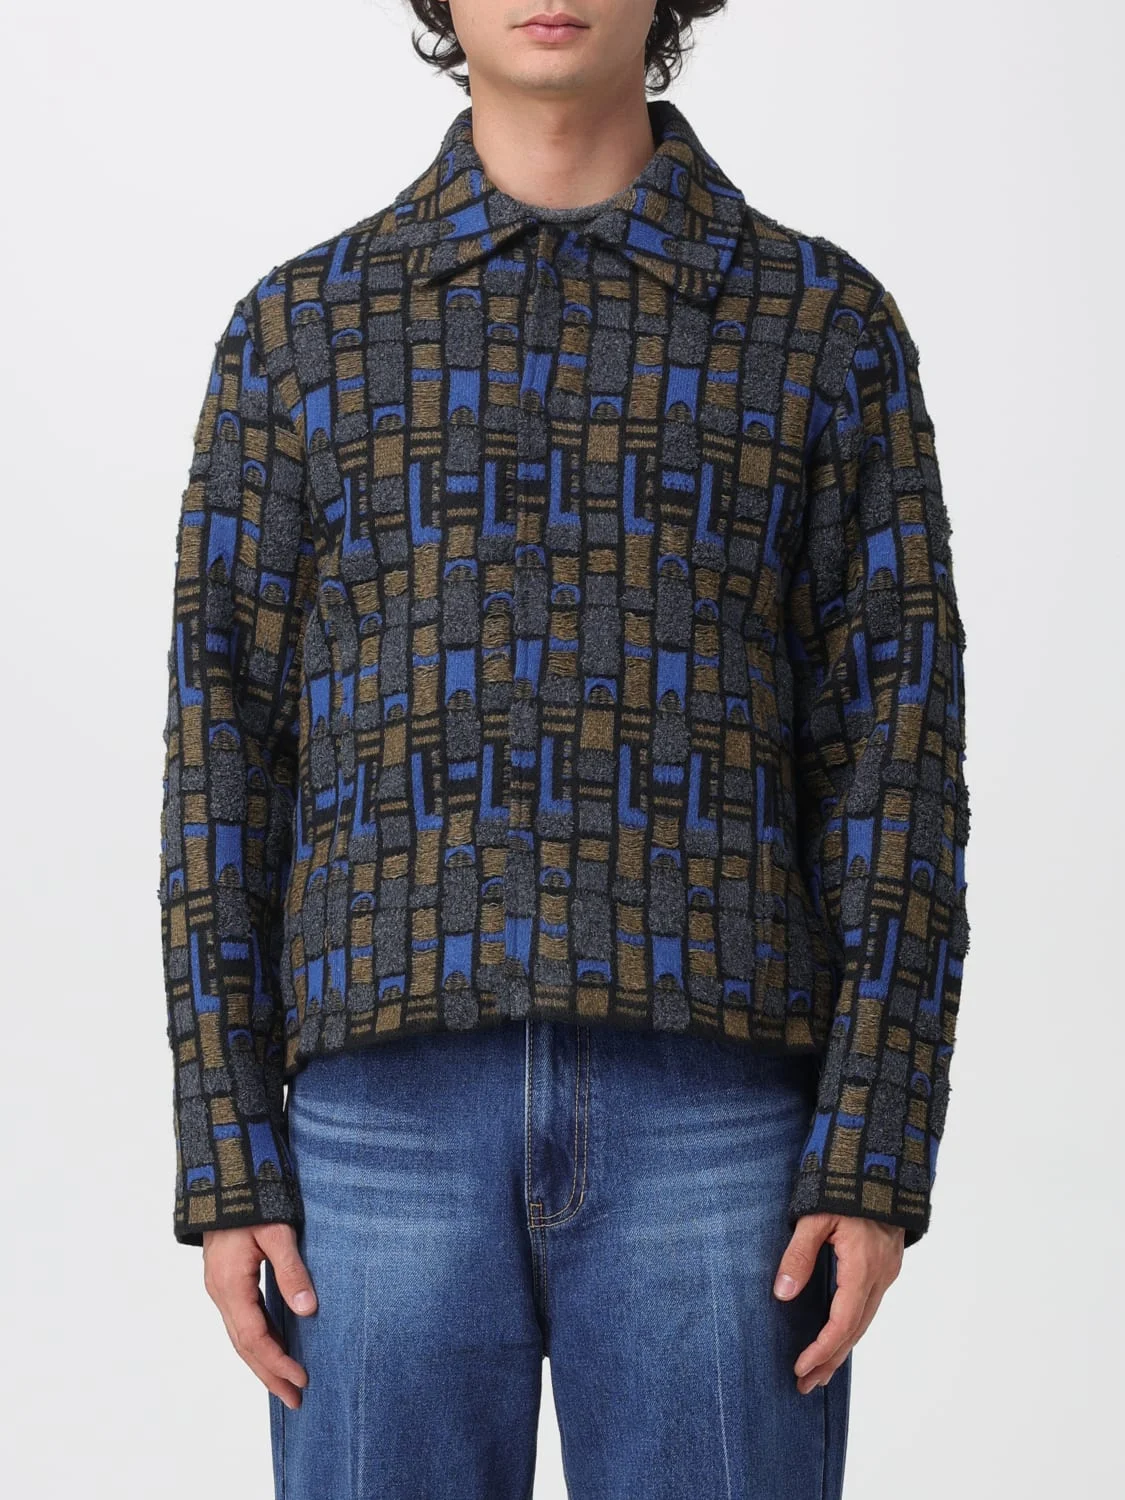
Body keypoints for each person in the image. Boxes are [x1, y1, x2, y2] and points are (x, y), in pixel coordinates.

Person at [157, 3, 971, 1495]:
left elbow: (896, 748)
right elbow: (223, 745)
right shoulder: (300, 330)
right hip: (376, 1123)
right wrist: (226, 1152)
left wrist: (875, 1145)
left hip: (721, 1115)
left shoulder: (822, 326)